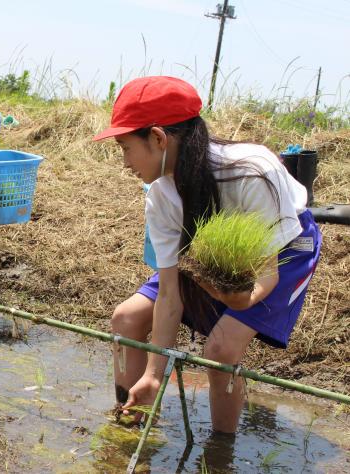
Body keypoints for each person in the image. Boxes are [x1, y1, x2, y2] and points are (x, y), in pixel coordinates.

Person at [93, 76, 321, 434]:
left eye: (124, 147)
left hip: (283, 248)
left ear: (157, 138)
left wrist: (237, 299)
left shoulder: (251, 171)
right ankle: (130, 422)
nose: (124, 162)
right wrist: (154, 374)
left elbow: (267, 274)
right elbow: (169, 294)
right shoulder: (161, 195)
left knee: (220, 351)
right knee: (126, 318)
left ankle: (220, 452)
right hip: (207, 247)